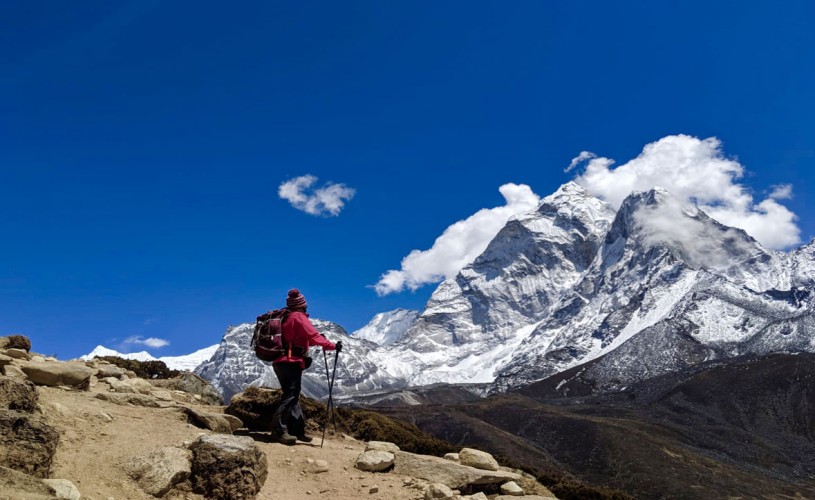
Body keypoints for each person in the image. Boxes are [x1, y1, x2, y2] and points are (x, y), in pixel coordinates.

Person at [271, 288, 343, 445]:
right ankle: (279, 431)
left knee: (292, 395)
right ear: (302, 305)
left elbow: (298, 339)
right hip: (291, 361)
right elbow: (313, 336)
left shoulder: (286, 317)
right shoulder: (298, 317)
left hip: (281, 360)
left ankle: (297, 430)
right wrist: (331, 346)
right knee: (291, 395)